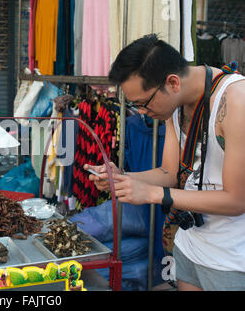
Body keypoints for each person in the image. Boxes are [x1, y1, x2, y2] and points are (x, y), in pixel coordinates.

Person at [85, 34, 245, 291]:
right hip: (191, 245)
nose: (141, 112)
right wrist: (125, 179)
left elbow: (237, 200)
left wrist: (151, 193)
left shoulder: (236, 101)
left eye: (143, 104)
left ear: (172, 82)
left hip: (231, 258)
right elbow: (170, 172)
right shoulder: (176, 103)